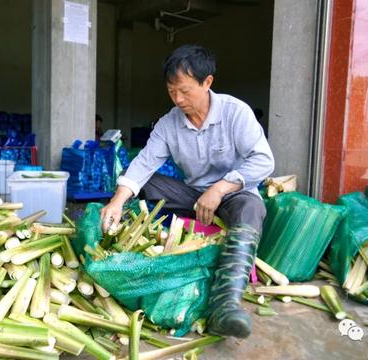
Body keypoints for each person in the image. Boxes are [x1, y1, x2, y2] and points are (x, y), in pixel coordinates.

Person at [100, 44, 275, 338]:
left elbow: (263, 160)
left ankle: (226, 305)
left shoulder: (235, 113)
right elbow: (144, 163)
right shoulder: (169, 124)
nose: (178, 99)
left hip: (233, 195)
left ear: (207, 83)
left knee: (252, 208)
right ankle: (134, 258)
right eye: (171, 91)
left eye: (184, 90)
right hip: (193, 197)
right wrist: (118, 200)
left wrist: (220, 188)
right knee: (145, 185)